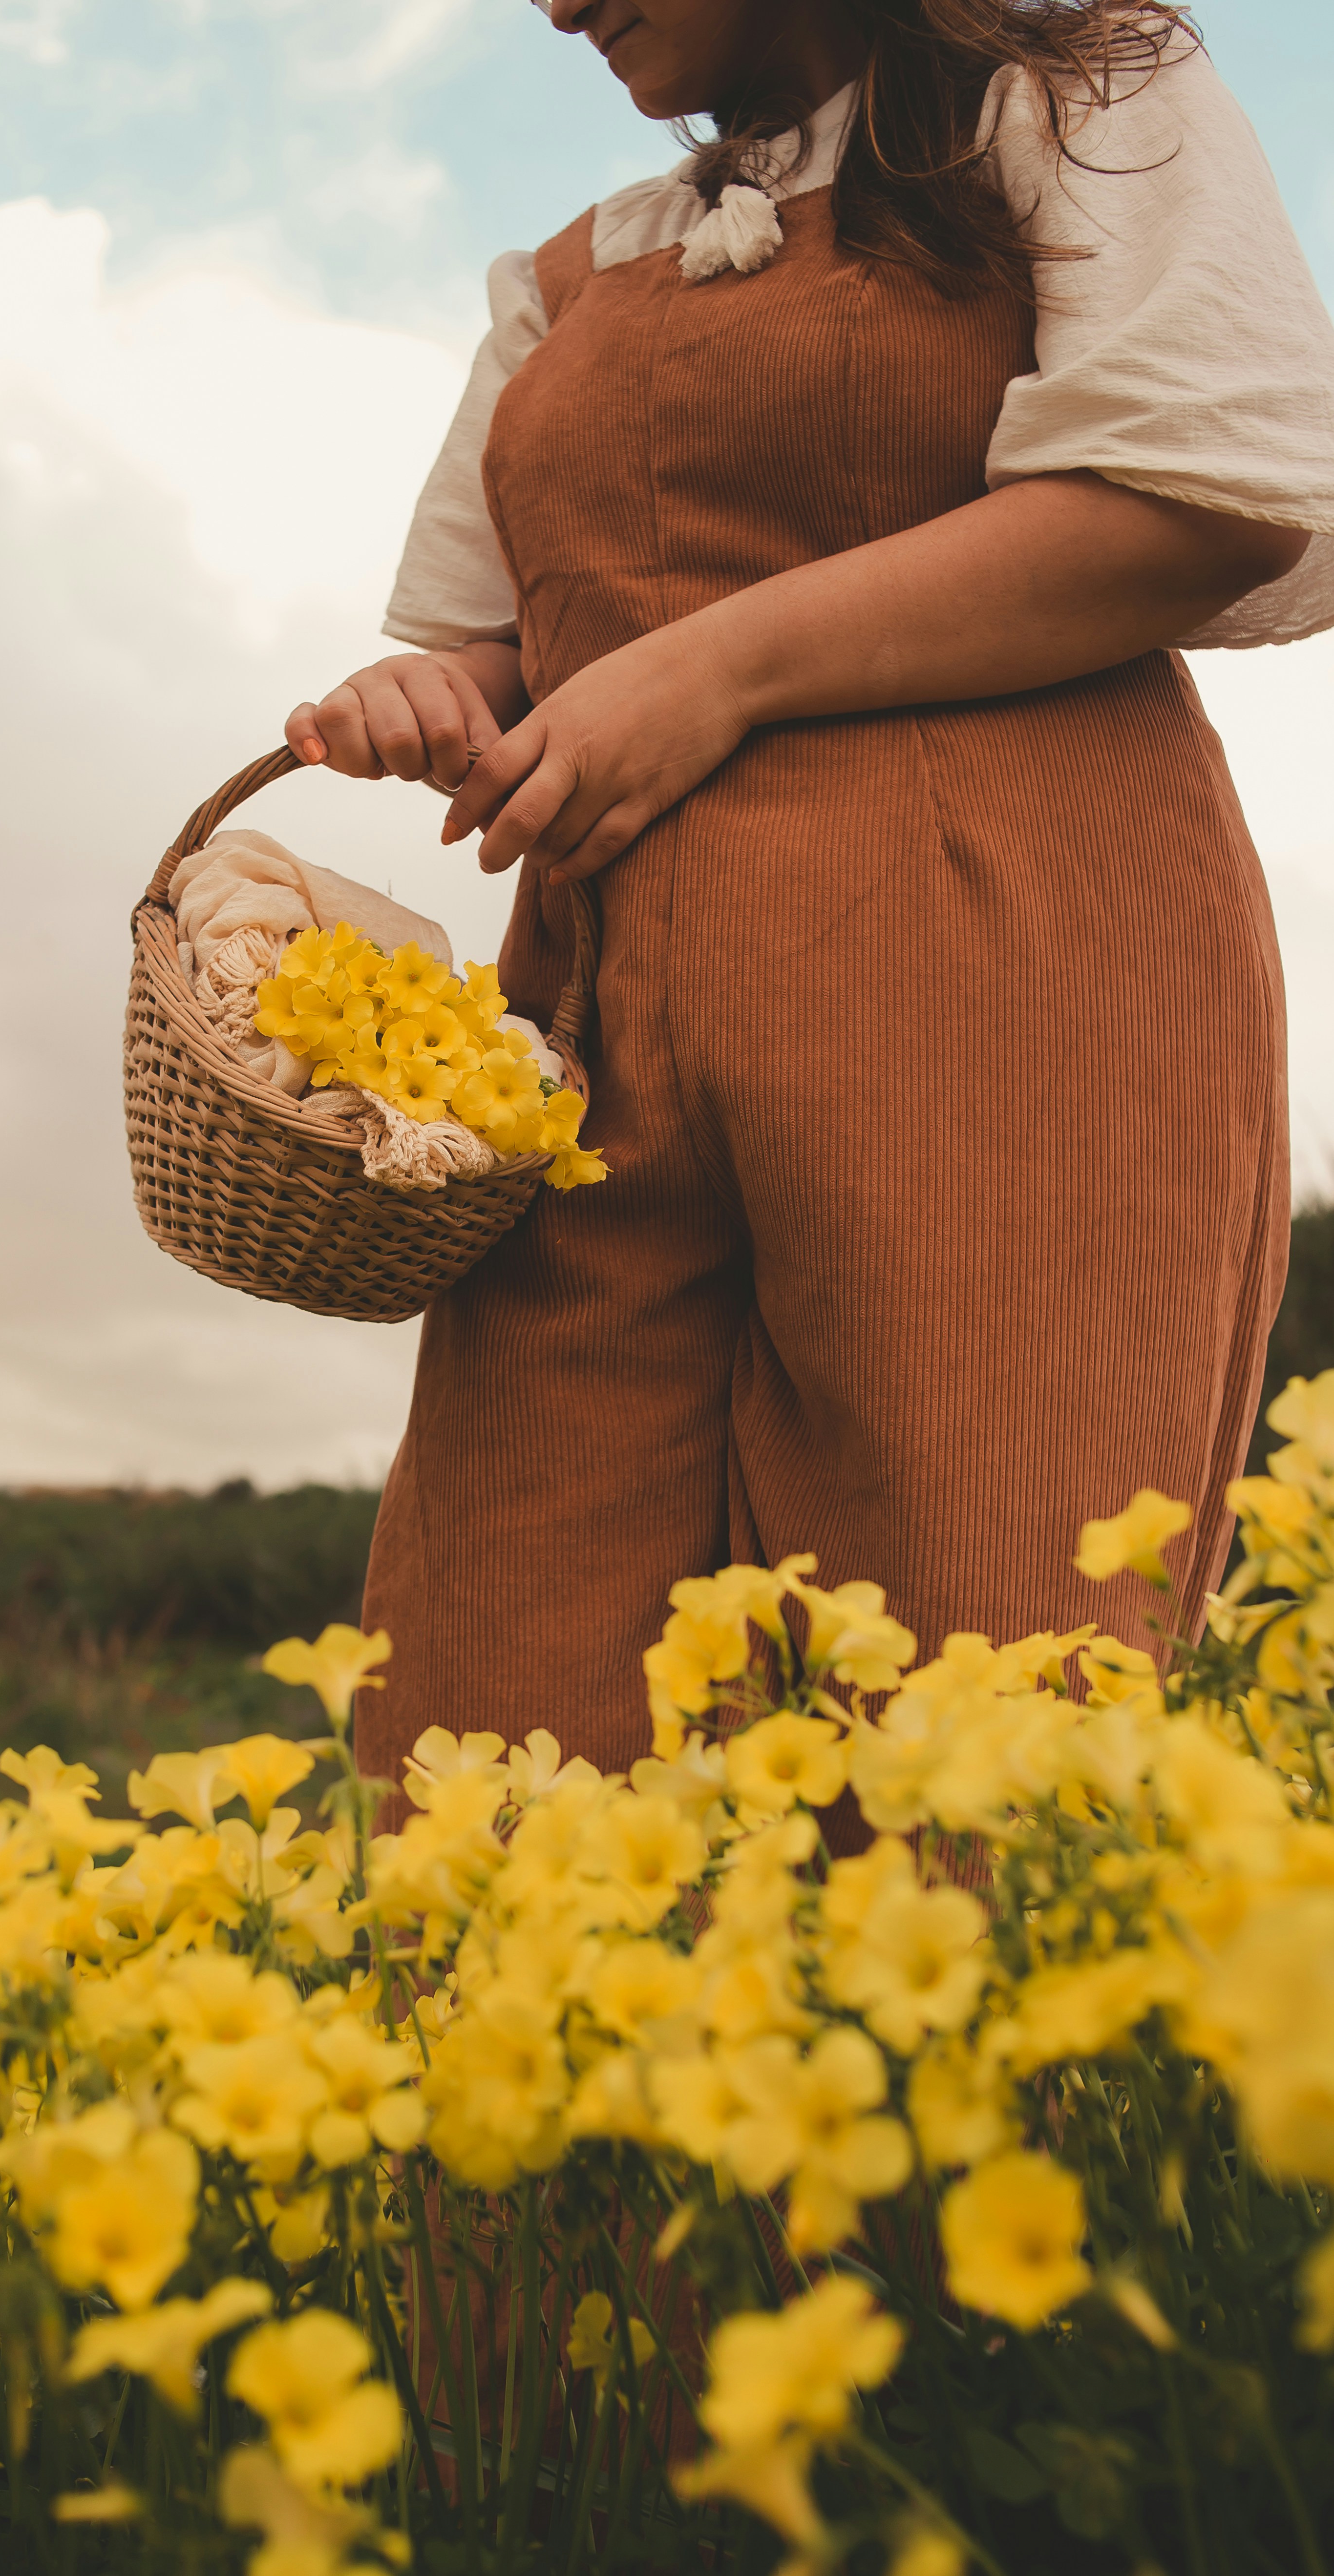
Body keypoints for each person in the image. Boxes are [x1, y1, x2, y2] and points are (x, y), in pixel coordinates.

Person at [284, 0, 1334, 1801]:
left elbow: (1202, 490)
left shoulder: (1082, 90)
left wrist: (718, 672)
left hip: (1006, 986)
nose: (549, 5)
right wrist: (434, 698)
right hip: (598, 1046)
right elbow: (496, 641)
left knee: (974, 1646)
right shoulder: (568, 282)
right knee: (498, 1678)